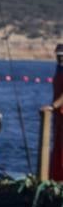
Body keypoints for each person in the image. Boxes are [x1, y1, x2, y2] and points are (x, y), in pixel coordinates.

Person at [47, 43, 63, 182]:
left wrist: (53, 106)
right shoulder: (58, 70)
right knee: (57, 148)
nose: (60, 59)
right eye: (58, 56)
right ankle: (55, 178)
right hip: (58, 118)